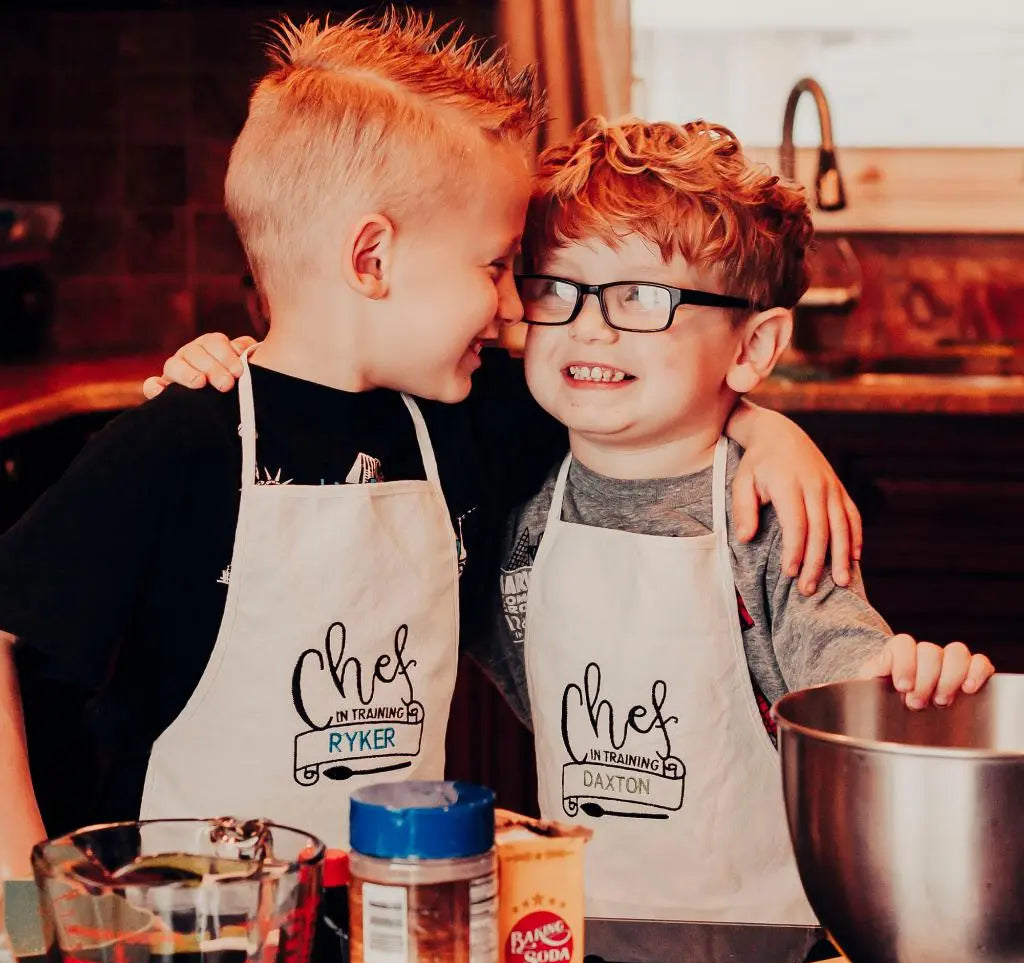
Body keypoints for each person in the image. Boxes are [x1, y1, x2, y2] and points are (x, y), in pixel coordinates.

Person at [0, 12, 856, 878]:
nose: (516, 309)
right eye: (493, 268)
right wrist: (19, 888)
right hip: (190, 940)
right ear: (371, 260)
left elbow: (653, 406)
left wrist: (762, 427)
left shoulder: (467, 422)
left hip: (395, 926)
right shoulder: (178, 443)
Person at [468, 116, 993, 923]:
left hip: (764, 948)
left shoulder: (768, 511)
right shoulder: (511, 499)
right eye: (557, 288)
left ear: (752, 348)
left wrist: (905, 683)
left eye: (645, 296)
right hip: (572, 938)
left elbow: (839, 662)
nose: (590, 324)